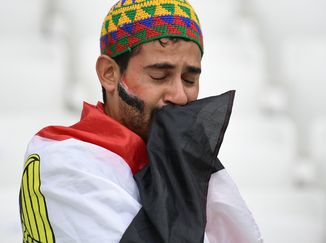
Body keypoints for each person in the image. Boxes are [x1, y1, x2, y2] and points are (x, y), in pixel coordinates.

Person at [19, 0, 262, 242]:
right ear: (109, 73)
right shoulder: (64, 159)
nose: (179, 95)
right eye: (159, 76)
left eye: (189, 79)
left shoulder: (181, 160)